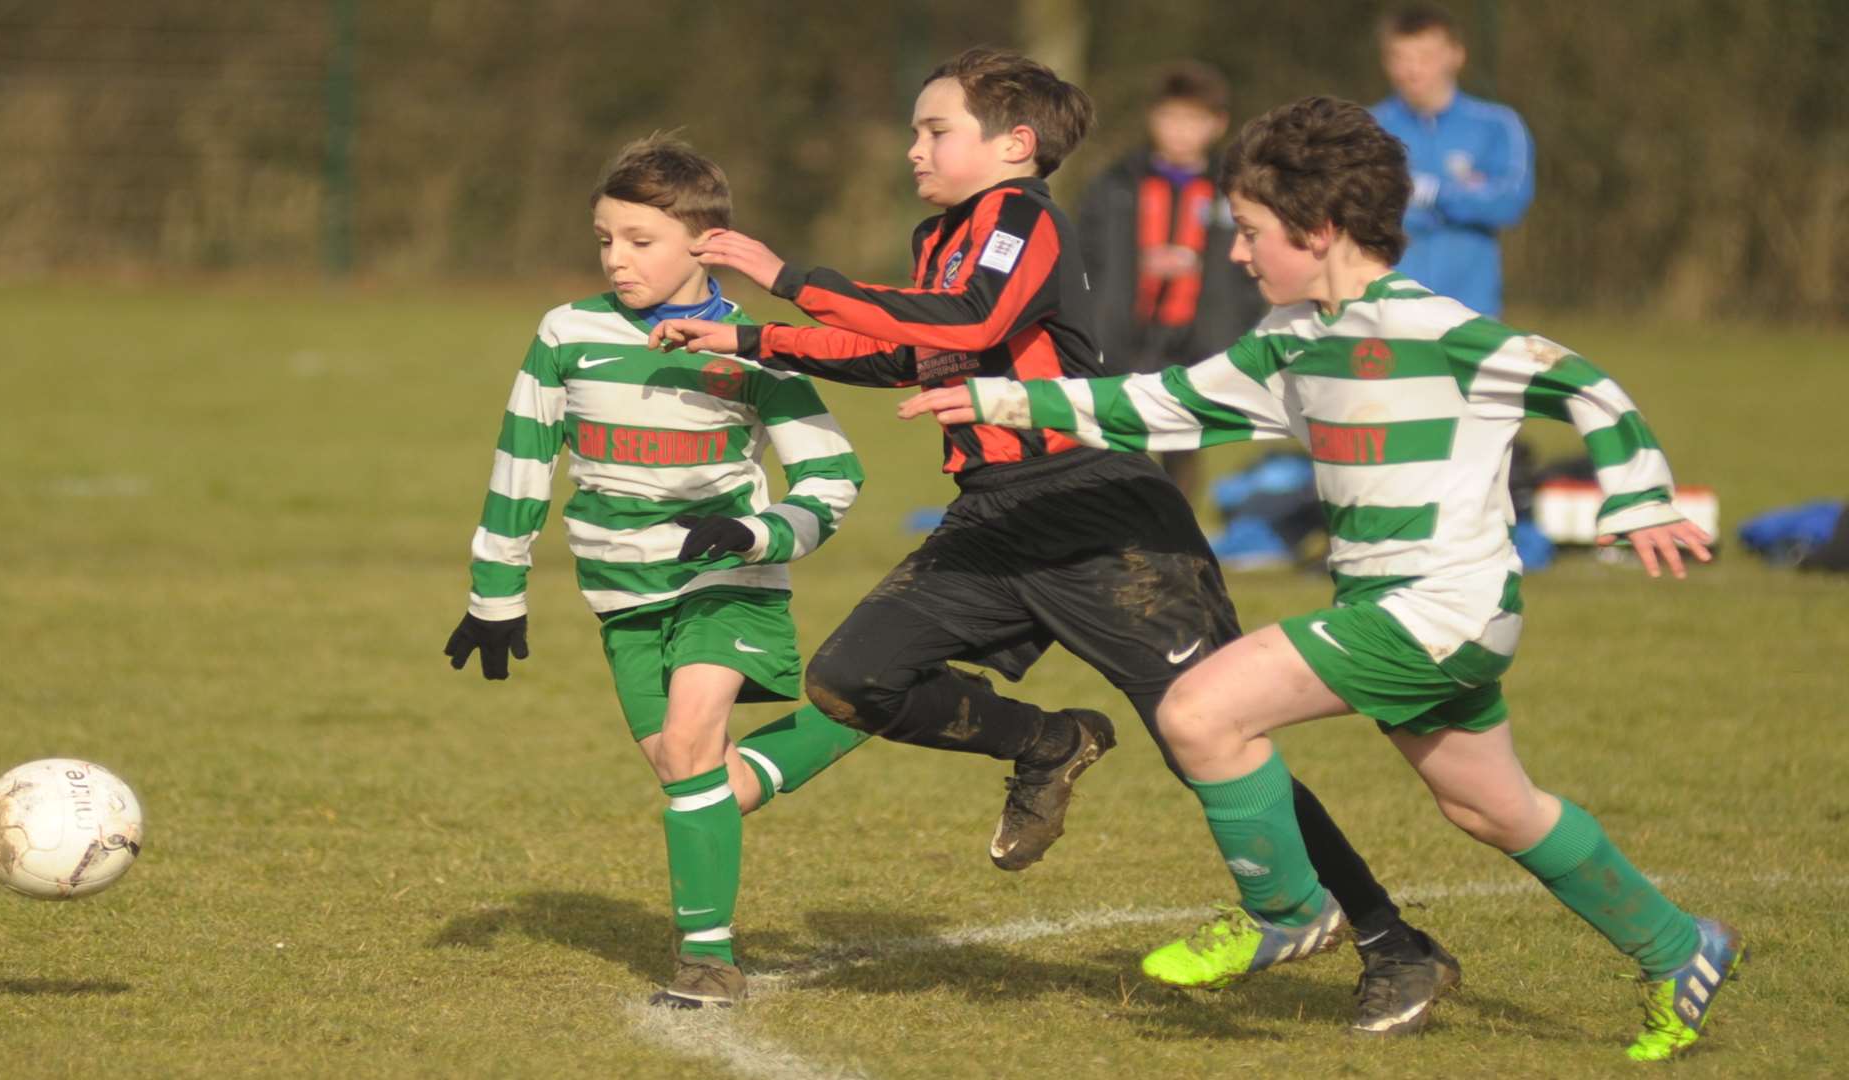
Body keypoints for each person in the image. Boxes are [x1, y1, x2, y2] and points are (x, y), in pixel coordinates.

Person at [899, 95, 1742, 1061]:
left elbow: (1585, 384)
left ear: (1322, 229)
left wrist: (1639, 500)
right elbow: (1158, 403)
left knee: (1201, 710)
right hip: (1408, 614)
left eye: (1252, 234)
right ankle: (1682, 948)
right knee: (1490, 807)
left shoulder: (1442, 332)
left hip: (1439, 615)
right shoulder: (1292, 342)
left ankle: (1288, 910)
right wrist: (1004, 393)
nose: (1238, 255)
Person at [654, 48, 1462, 1036]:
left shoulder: (1024, 221)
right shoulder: (942, 233)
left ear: (1014, 145)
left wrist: (788, 279)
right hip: (994, 514)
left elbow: (974, 317)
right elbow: (912, 348)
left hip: (1100, 512)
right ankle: (1049, 741)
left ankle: (1393, 948)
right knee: (851, 678)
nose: (915, 146)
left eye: (934, 129)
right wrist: (751, 339)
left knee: (1207, 736)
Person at [442, 135, 870, 1010]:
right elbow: (521, 464)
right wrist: (495, 595)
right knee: (701, 781)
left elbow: (833, 478)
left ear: (704, 244)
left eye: (641, 240)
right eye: (606, 238)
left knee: (687, 750)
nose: (617, 257)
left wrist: (753, 535)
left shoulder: (754, 347)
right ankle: (870, 706)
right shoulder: (568, 333)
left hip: (726, 582)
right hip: (618, 595)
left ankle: (707, 962)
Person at [1078, 60, 1266, 508]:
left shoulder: (1233, 189)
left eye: (1192, 121)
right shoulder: (1116, 184)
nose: (1180, 131)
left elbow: (1255, 266)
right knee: (1113, 445)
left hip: (1197, 340)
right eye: (1170, 118)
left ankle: (1175, 540)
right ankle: (1111, 540)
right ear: (1152, 118)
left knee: (1183, 449)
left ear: (1217, 125)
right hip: (1125, 334)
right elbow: (1087, 255)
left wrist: (1237, 322)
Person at [1371, 3, 1534, 318]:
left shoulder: (1497, 125)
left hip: (1471, 310)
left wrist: (1435, 194)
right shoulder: (1368, 127)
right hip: (1388, 309)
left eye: (1425, 57)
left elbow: (1510, 201)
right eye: (1401, 58)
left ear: (1456, 55)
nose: (1412, 70)